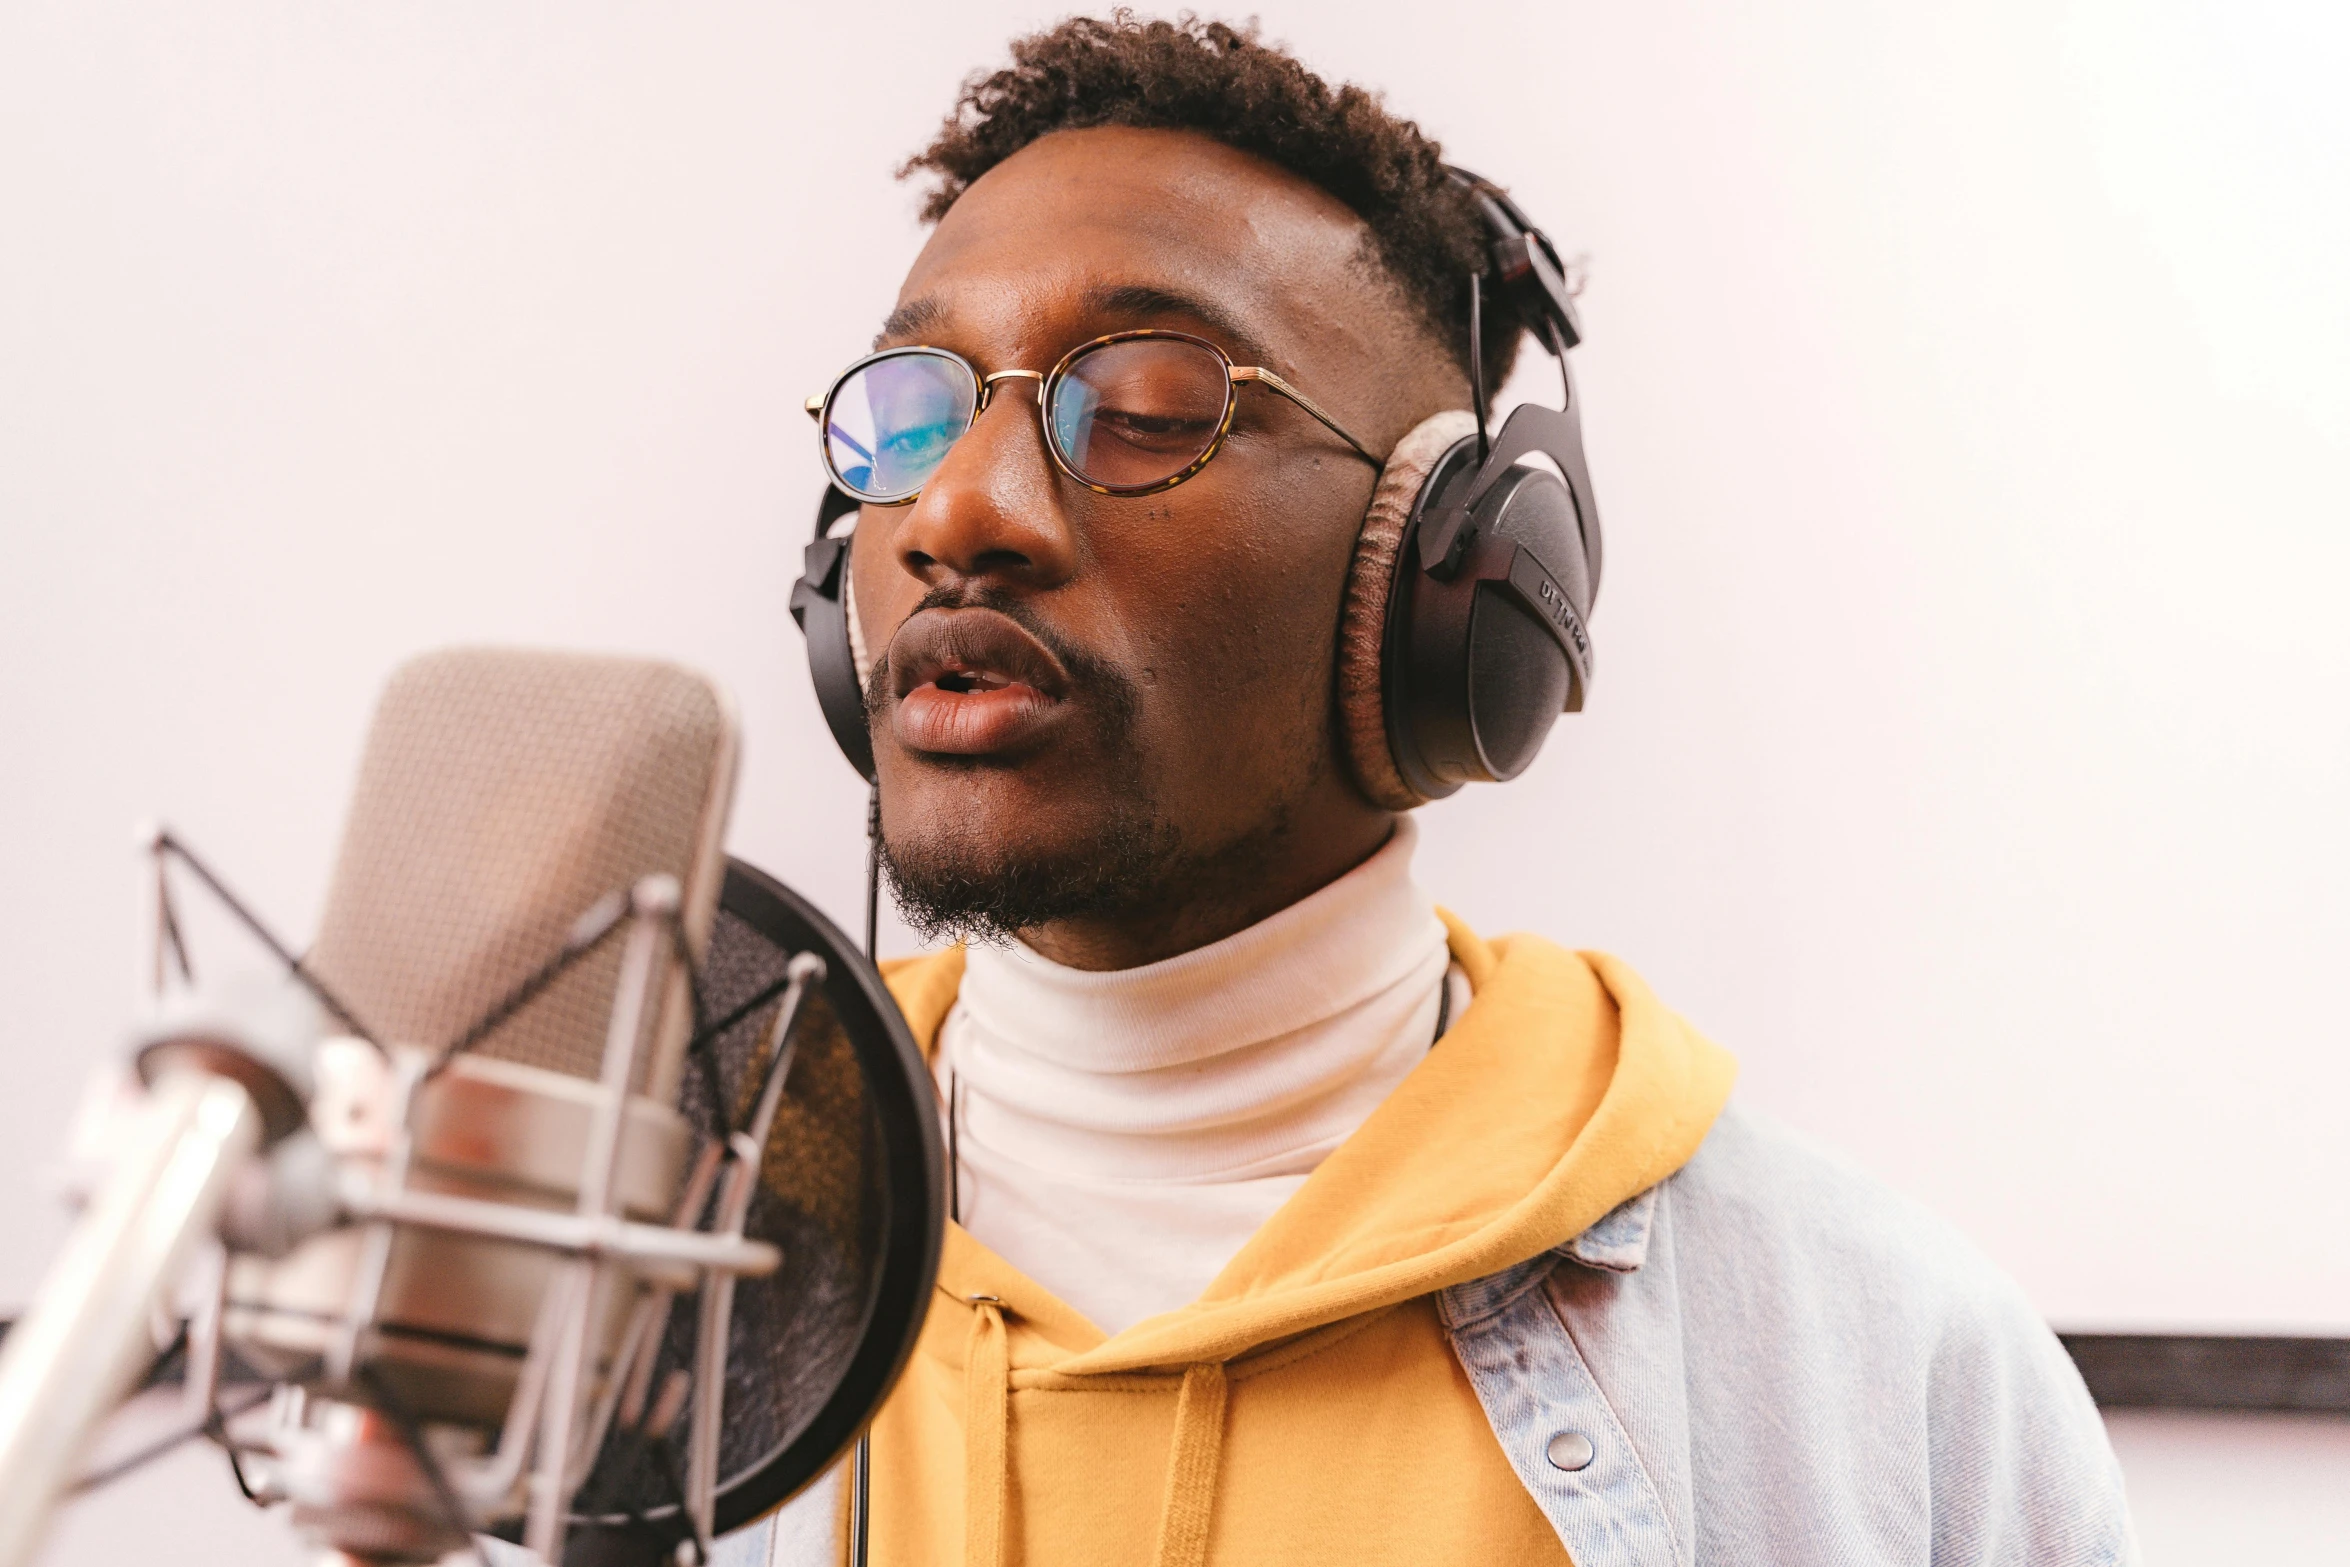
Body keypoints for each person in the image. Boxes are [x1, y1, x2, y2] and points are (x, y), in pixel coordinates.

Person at [740, 15, 2134, 1566]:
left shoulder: (1880, 1374)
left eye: (1142, 399)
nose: (957, 508)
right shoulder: (616, 1278)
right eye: (914, 404)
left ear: (1441, 588)